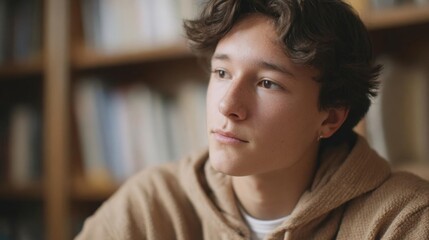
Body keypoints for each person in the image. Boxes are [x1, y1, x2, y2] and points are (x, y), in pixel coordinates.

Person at [76, 0, 429, 239]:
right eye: (222, 72)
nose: (228, 105)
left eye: (267, 83)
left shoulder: (402, 219)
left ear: (331, 118)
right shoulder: (152, 205)